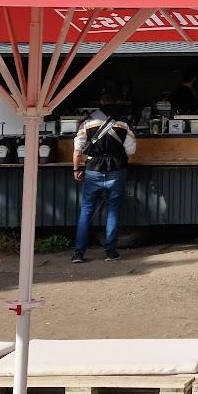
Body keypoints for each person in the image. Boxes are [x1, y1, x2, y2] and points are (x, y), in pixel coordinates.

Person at [72, 86, 137, 263]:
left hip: (93, 169)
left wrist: (77, 170)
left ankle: (79, 253)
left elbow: (78, 151)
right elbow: (131, 149)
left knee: (86, 211)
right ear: (116, 102)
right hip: (116, 169)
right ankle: (110, 252)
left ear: (100, 103)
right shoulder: (123, 123)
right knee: (113, 211)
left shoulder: (87, 122)